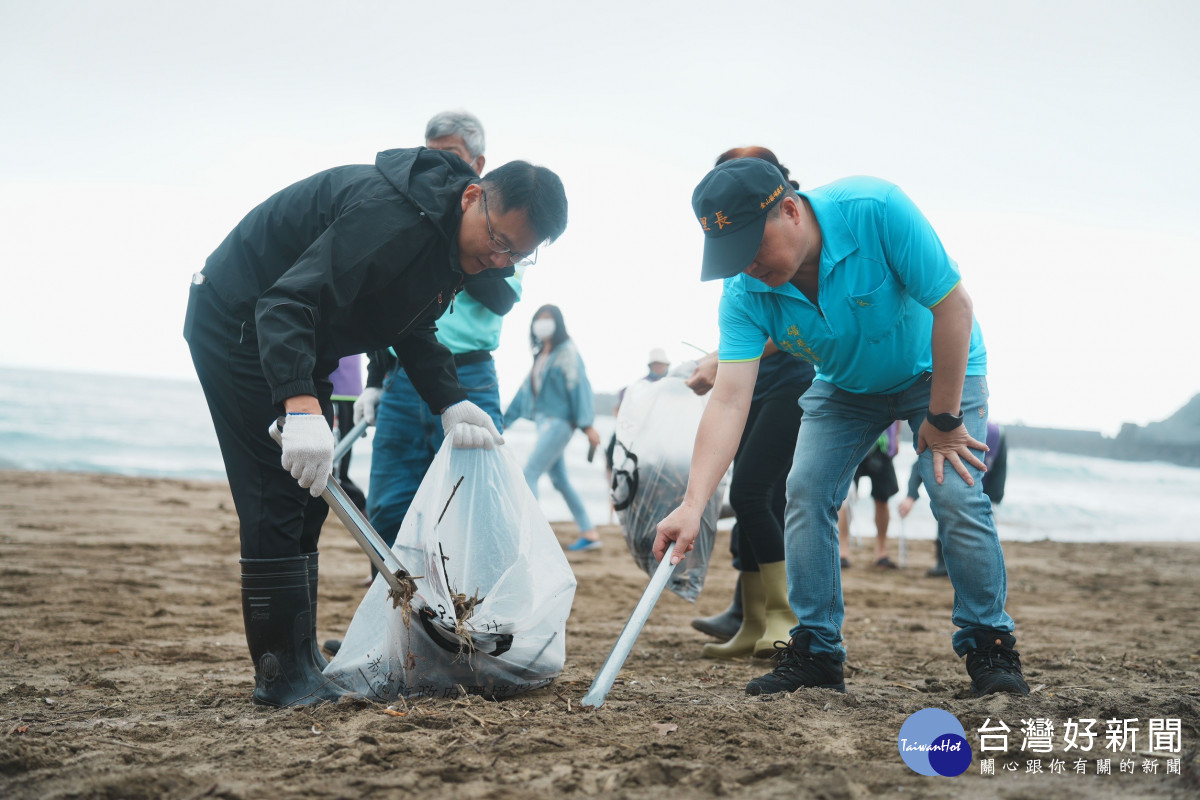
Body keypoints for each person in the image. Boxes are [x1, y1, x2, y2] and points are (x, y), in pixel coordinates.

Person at [184, 146, 568, 707]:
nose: (501, 260)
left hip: (301, 335)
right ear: (473, 197)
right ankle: (281, 676)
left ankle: (304, 657)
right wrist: (299, 405)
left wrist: (451, 401)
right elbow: (285, 302)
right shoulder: (391, 218)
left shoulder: (446, 243)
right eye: (500, 240)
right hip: (239, 320)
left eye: (518, 255)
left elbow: (413, 327)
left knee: (310, 496)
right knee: (275, 489)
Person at [654, 157, 1029, 698]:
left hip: (937, 368)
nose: (748, 268)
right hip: (846, 386)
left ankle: (990, 644)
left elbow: (954, 307)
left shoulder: (874, 210)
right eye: (733, 258)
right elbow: (731, 399)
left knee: (954, 492)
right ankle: (817, 648)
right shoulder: (743, 292)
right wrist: (693, 503)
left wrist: (944, 420)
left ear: (789, 210)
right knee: (804, 489)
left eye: (753, 249)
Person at [352, 111, 523, 588]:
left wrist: (458, 253)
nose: (438, 170)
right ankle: (389, 621)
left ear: (478, 165)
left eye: (451, 159)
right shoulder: (411, 216)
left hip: (470, 376)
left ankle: (469, 621)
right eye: (430, 157)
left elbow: (502, 297)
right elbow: (387, 309)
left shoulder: (506, 222)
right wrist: (374, 381)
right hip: (405, 377)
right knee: (388, 501)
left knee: (478, 499)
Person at [686, 146, 815, 658]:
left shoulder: (790, 241)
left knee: (756, 494)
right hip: (757, 384)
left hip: (794, 379)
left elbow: (787, 328)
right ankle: (753, 617)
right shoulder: (740, 270)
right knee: (753, 497)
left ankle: (781, 615)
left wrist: (719, 360)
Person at [504, 305, 602, 551]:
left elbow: (579, 385)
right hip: (543, 422)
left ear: (558, 322)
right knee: (560, 480)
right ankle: (589, 532)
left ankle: (530, 536)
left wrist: (587, 424)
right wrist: (502, 421)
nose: (543, 323)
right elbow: (525, 392)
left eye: (548, 318)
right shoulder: (541, 356)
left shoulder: (566, 351)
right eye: (539, 318)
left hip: (559, 423)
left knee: (531, 472)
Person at [900, 420, 1008, 577]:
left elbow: (1000, 470)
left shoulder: (997, 434)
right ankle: (943, 564)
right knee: (947, 517)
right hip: (951, 490)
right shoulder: (947, 429)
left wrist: (994, 500)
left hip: (982, 491)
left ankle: (980, 568)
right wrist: (911, 495)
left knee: (981, 532)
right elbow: (921, 464)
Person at [837, 420, 901, 569]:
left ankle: (881, 552)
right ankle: (843, 551)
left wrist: (895, 437)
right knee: (846, 498)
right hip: (853, 441)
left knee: (882, 497)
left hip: (882, 445)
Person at [327, 355, 366, 512]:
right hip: (340, 386)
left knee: (335, 474)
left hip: (339, 387)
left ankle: (363, 514)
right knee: (335, 471)